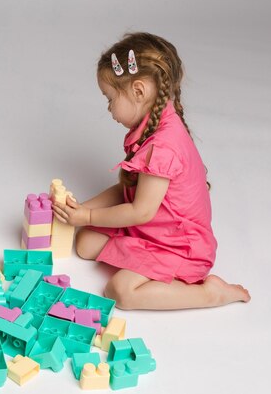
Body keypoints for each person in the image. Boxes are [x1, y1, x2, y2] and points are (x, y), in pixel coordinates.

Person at [53, 32, 250, 310]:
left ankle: (211, 294)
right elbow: (126, 191)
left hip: (178, 246)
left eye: (110, 99)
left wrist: (88, 215)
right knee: (84, 242)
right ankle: (134, 252)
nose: (109, 109)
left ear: (138, 91)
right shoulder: (150, 126)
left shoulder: (163, 147)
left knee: (119, 291)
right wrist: (80, 210)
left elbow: (140, 211)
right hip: (153, 229)